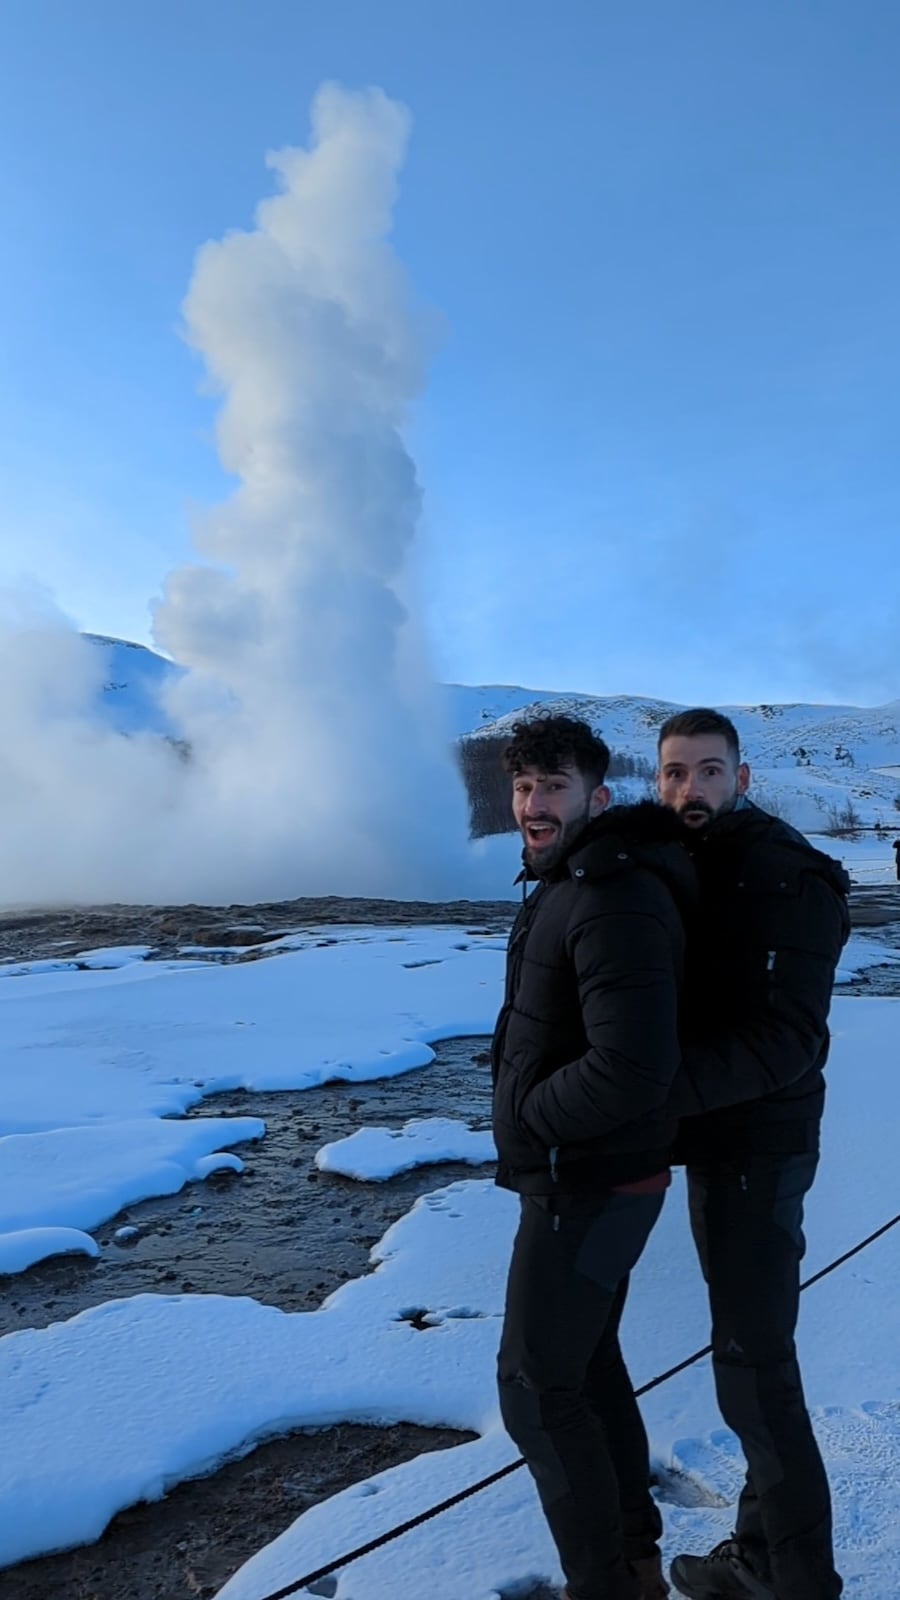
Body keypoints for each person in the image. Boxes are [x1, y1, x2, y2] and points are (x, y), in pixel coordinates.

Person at [492, 714, 696, 1600]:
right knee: (587, 1363)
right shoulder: (571, 881)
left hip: (593, 1179)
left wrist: (534, 1117)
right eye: (524, 786)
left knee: (536, 1391)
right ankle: (635, 1564)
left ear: (599, 797)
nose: (533, 805)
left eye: (554, 787)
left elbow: (634, 1064)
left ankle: (607, 1587)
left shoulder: (611, 893)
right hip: (595, 1175)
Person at [656, 708, 850, 1600]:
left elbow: (787, 1040)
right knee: (750, 1356)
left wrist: (653, 1095)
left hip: (759, 1151)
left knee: (755, 1368)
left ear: (743, 776)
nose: (688, 790)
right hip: (724, 1144)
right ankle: (760, 1551)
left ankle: (801, 1580)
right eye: (673, 774)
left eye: (706, 770)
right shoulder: (705, 861)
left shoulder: (783, 875)